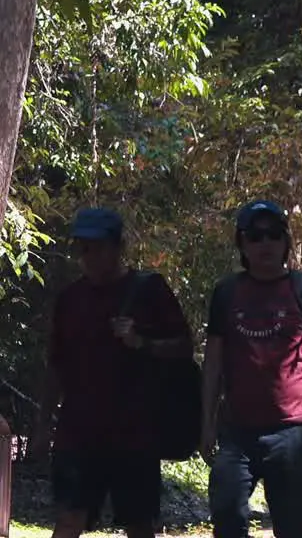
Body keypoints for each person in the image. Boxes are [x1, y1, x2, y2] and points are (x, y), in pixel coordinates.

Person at [201, 200, 302, 538]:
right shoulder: (226, 293)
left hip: (292, 434)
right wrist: (206, 424)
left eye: (274, 234)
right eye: (255, 236)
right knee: (227, 522)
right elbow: (213, 362)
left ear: (286, 241)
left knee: (290, 529)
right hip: (236, 433)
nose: (265, 244)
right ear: (242, 244)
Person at [31, 208, 194, 538]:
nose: (88, 256)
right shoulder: (70, 299)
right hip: (78, 433)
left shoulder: (150, 291)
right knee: (69, 520)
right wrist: (43, 424)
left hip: (134, 435)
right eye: (82, 247)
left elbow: (183, 348)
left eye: (97, 247)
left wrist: (141, 342)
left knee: (138, 524)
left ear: (118, 247)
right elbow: (56, 365)